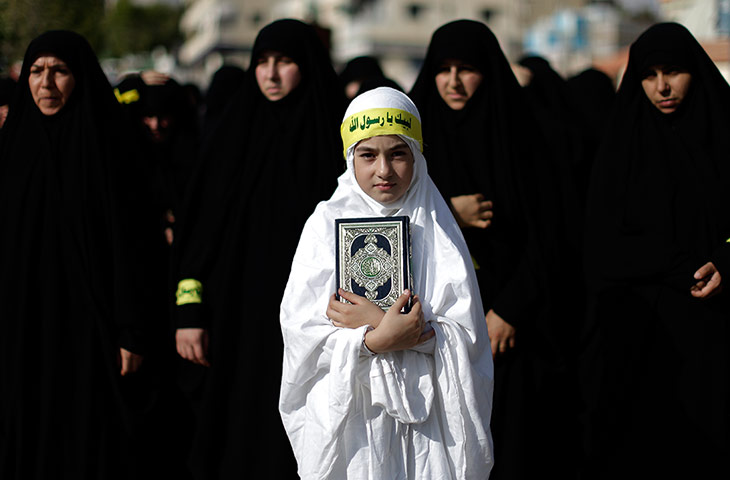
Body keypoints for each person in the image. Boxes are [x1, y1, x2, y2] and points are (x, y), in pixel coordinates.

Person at [279, 86, 494, 479]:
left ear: (417, 156)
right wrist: (373, 341)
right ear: (350, 158)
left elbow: (468, 336)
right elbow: (301, 336)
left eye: (398, 153)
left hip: (431, 429)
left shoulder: (438, 226)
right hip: (355, 423)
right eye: (368, 155)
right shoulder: (325, 225)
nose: (384, 170)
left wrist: (390, 324)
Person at [172, 19, 346, 479]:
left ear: (306, 67)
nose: (270, 75)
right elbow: (198, 235)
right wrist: (190, 312)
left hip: (315, 320)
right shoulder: (231, 137)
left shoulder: (338, 141)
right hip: (236, 316)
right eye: (262, 63)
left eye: (284, 62)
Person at [409, 19, 579, 479]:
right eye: (443, 69)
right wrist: (450, 212)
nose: (453, 81)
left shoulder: (527, 136)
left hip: (512, 326)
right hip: (436, 328)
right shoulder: (414, 144)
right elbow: (392, 223)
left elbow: (553, 231)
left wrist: (510, 311)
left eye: (467, 68)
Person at [0, 30, 156, 479]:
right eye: (36, 71)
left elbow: (133, 247)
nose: (46, 84)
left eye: (60, 71)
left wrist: (130, 329)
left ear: (81, 77)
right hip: (22, 326)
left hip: (90, 325)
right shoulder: (13, 149)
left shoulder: (111, 151)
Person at [581, 22, 730, 479]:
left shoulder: (723, 133)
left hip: (716, 331)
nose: (662, 87)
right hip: (643, 336)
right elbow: (602, 242)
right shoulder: (622, 144)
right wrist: (678, 264)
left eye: (674, 72)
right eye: (649, 75)